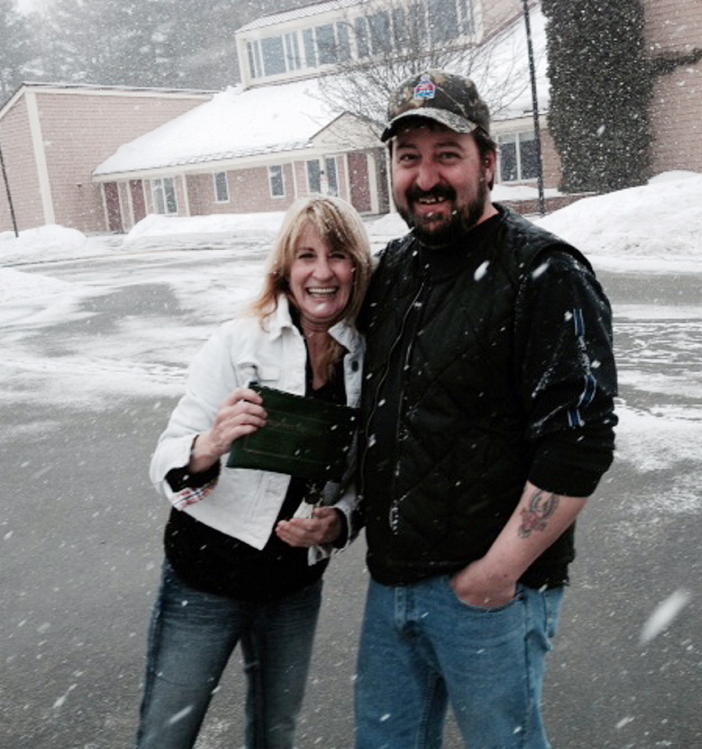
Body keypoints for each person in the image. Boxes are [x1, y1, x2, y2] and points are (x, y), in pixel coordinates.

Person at [354, 70, 619, 749]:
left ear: (488, 162)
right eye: (408, 157)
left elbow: (578, 441)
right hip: (391, 586)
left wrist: (495, 574)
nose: (426, 177)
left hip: (487, 595)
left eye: (447, 154)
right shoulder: (394, 268)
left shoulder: (544, 270)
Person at [137, 195, 373, 749]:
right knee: (166, 734)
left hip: (293, 587)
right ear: (285, 269)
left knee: (276, 733)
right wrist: (211, 442)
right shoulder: (238, 341)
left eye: (337, 256)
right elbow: (164, 459)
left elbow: (367, 477)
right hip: (205, 579)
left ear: (356, 268)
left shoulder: (369, 356)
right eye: (306, 256)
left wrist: (338, 523)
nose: (321, 272)